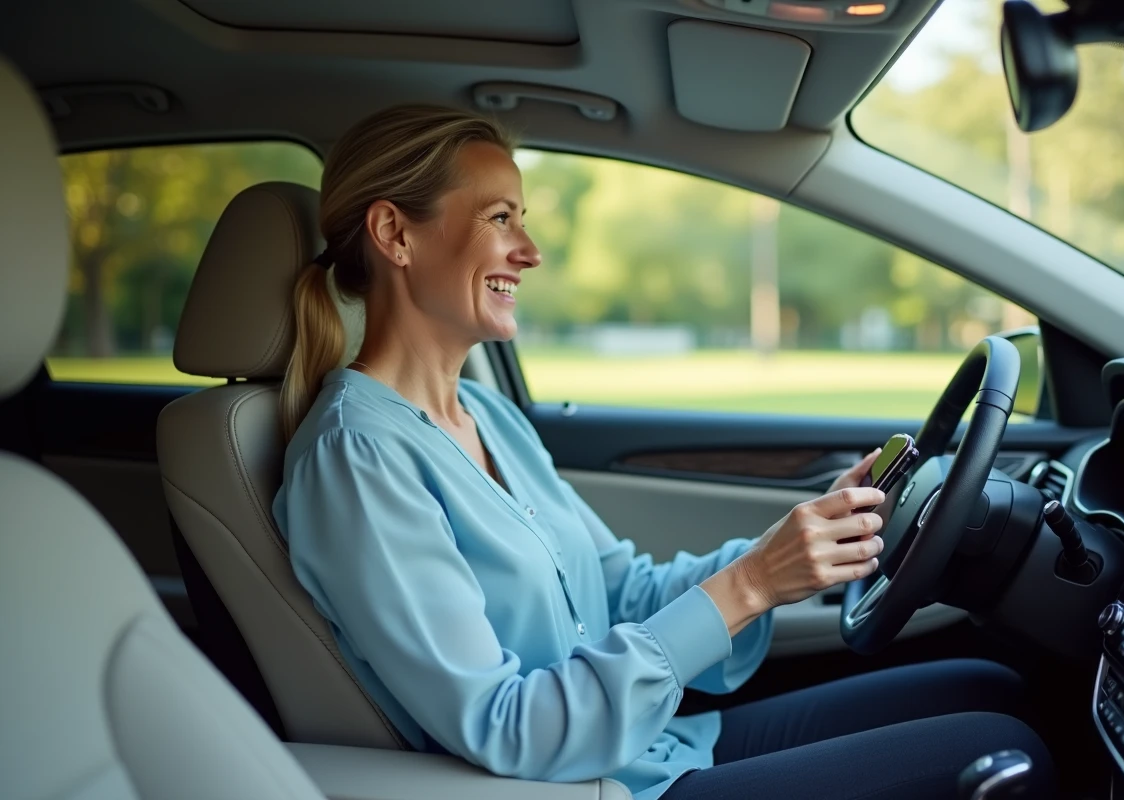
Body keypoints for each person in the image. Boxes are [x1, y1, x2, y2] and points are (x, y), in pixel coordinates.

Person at [272, 105, 1054, 800]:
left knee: (986, 688)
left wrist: (787, 551)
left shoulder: (483, 413)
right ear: (394, 234)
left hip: (658, 748)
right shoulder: (356, 459)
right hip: (598, 785)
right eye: (501, 218)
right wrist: (749, 585)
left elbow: (622, 591)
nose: (532, 250)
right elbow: (508, 729)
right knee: (999, 748)